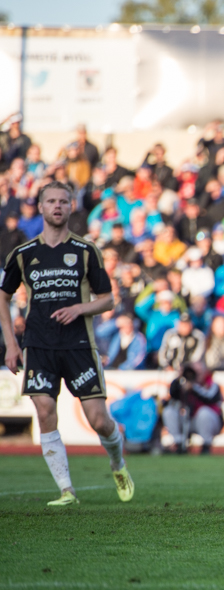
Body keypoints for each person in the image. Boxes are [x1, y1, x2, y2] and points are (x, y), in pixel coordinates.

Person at [0, 181, 134, 505]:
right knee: (45, 410)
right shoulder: (23, 254)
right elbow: (2, 297)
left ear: (71, 207)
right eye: (51, 201)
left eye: (63, 201)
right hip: (39, 345)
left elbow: (107, 300)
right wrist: (11, 345)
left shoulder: (86, 251)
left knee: (99, 421)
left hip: (78, 345)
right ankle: (66, 490)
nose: (57, 206)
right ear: (42, 208)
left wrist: (79, 308)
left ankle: (118, 463)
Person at [162, 362, 224, 454]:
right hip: (188, 420)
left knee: (204, 412)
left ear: (205, 371)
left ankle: (206, 445)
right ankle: (179, 444)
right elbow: (173, 394)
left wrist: (194, 388)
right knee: (169, 411)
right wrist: (179, 377)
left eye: (199, 372)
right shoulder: (183, 384)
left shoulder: (212, 384)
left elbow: (209, 398)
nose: (196, 375)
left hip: (209, 423)